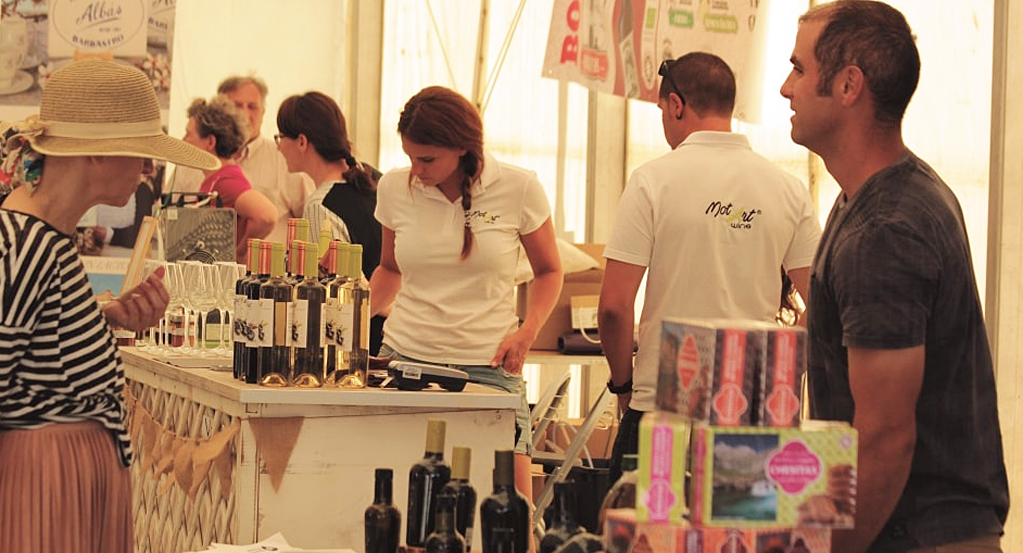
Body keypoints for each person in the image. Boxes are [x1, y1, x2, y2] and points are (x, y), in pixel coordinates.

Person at [0, 58, 218, 553]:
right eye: (140, 149)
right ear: (98, 152)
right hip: (42, 491)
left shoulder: (36, 236)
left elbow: (27, 350)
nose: (148, 167)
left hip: (59, 487)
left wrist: (104, 319)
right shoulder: (28, 245)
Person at [781, 2, 1007, 553]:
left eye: (799, 69)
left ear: (848, 85)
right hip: (904, 542)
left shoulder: (886, 229)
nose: (785, 87)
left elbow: (886, 436)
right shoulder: (870, 201)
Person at [598, 52, 820, 485]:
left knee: (649, 545)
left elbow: (613, 307)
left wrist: (624, 387)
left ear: (676, 105)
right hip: (752, 416)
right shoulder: (788, 190)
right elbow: (826, 302)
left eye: (662, 110)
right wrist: (771, 372)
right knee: (739, 544)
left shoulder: (652, 181)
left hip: (662, 410)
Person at [370, 86, 562, 498]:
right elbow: (390, 269)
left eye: (426, 159)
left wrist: (527, 331)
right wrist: (350, 320)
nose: (415, 170)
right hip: (404, 361)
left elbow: (549, 271)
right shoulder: (393, 188)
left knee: (511, 510)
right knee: (400, 502)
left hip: (489, 367)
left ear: (462, 147)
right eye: (408, 157)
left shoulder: (519, 187)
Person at [274, 91, 385, 353]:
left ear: (302, 141)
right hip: (390, 338)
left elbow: (337, 294)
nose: (278, 147)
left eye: (280, 137)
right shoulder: (373, 181)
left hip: (356, 347)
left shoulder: (320, 206)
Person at [218, 75, 314, 242]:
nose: (244, 114)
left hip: (269, 267)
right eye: (236, 106)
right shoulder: (195, 159)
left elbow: (314, 223)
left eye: (252, 107)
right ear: (218, 111)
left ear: (263, 112)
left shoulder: (286, 159)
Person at [183, 96, 277, 262]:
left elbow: (267, 216)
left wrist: (240, 252)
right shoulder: (216, 179)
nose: (184, 140)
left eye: (189, 134)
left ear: (210, 142)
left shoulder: (225, 181)